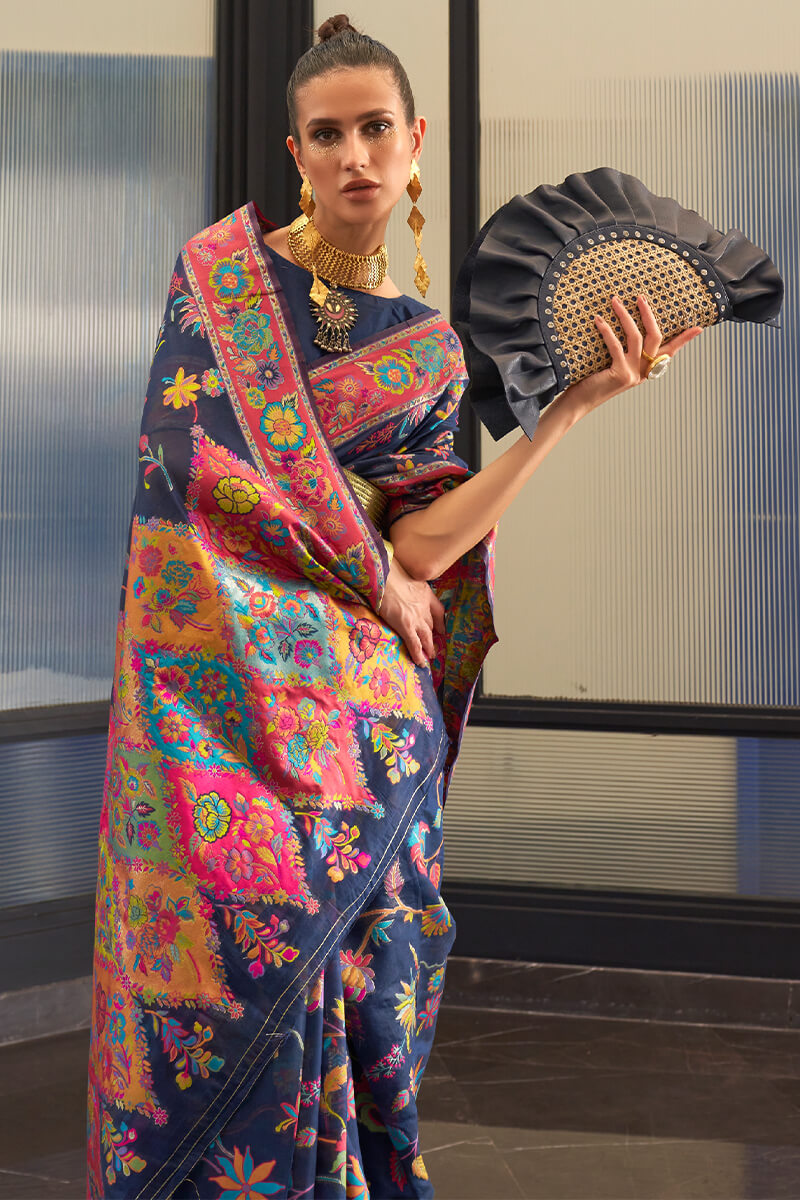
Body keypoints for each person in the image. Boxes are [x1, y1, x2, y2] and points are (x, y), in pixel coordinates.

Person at [86, 14, 700, 1199]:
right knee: (228, 952)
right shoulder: (217, 288)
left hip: (361, 712)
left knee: (363, 971)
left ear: (413, 143)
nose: (355, 155)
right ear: (294, 151)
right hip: (215, 709)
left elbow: (423, 540)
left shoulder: (425, 348)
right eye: (328, 135)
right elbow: (199, 489)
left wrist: (566, 410)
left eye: (376, 129)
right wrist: (378, 580)